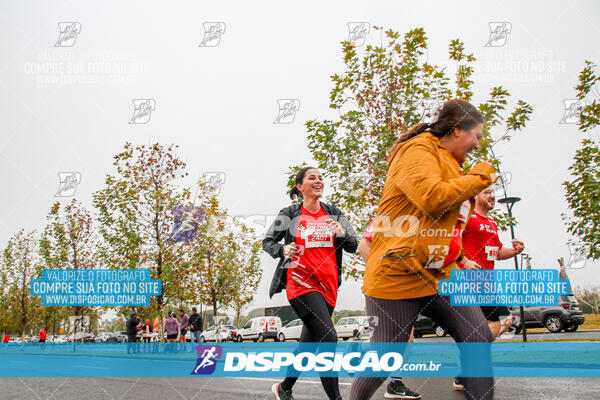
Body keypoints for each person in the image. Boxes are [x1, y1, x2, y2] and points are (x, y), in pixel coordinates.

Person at [349, 99, 498, 400]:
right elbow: (431, 197)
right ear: (457, 129)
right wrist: (480, 176)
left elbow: (443, 227)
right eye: (477, 136)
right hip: (396, 275)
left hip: (439, 273)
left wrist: (459, 257)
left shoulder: (451, 166)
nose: (478, 145)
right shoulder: (417, 151)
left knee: (477, 336)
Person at [264, 166, 357, 400]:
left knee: (308, 346)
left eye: (321, 178)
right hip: (300, 284)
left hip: (329, 287)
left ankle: (284, 387)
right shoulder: (290, 213)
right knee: (329, 337)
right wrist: (282, 249)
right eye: (312, 178)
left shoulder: (334, 213)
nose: (318, 181)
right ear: (300, 186)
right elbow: (268, 242)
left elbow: (353, 245)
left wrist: (342, 234)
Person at [358, 220, 421, 400]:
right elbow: (363, 246)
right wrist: (386, 276)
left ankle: (394, 382)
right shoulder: (390, 215)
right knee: (384, 342)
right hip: (382, 289)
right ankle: (363, 352)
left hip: (406, 289)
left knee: (406, 338)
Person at [460, 187, 524, 335]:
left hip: (486, 282)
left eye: (493, 193)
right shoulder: (466, 217)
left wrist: (515, 251)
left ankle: (473, 349)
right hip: (468, 280)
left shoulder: (491, 223)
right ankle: (474, 348)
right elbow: (450, 241)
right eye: (487, 193)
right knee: (503, 320)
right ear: (475, 196)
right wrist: (465, 261)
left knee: (494, 323)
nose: (492, 196)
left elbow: (497, 253)